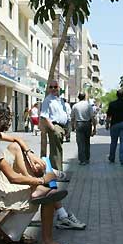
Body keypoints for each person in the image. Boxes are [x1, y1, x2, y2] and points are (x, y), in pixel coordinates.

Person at [0, 101, 72, 244]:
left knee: (15, 148)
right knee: (48, 198)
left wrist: (28, 153)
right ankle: (47, 243)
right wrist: (42, 179)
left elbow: (16, 140)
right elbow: (12, 177)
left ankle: (35, 189)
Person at [40, 82, 87, 230]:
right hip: (55, 126)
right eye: (52, 87)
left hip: (61, 126)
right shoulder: (47, 100)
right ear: (49, 88)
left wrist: (66, 127)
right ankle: (56, 172)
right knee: (55, 151)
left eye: (56, 87)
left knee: (59, 151)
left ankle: (57, 172)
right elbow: (44, 115)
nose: (54, 89)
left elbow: (65, 114)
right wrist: (53, 128)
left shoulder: (60, 100)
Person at [106, 90, 123, 165]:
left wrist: (107, 124)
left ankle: (112, 158)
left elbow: (108, 115)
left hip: (114, 124)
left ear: (116, 95)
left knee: (113, 142)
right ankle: (122, 159)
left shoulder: (112, 104)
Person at [71, 92, 96, 165]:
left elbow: (72, 117)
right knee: (87, 141)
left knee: (80, 142)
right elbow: (92, 117)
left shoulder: (75, 106)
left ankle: (82, 160)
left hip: (79, 124)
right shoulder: (88, 105)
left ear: (78, 97)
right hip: (87, 124)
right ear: (85, 97)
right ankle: (87, 158)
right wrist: (94, 127)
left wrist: (72, 126)